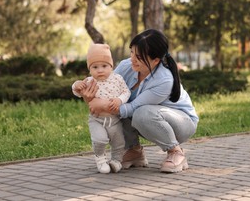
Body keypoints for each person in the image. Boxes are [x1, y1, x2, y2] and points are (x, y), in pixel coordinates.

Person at [82, 29, 199, 173]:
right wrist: (89, 97)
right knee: (121, 109)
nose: (132, 59)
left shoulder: (164, 80)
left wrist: (103, 105)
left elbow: (133, 107)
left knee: (141, 112)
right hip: (150, 120)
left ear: (155, 60)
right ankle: (134, 151)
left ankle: (175, 152)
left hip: (181, 123)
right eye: (132, 52)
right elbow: (107, 90)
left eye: (139, 56)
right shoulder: (127, 66)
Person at [72, 43, 131, 174]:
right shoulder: (89, 81)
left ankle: (116, 161)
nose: (100, 70)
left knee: (119, 142)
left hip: (115, 120)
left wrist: (119, 100)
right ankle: (100, 158)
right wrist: (76, 85)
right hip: (97, 119)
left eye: (104, 66)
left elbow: (126, 92)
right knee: (100, 139)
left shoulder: (117, 79)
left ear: (111, 66)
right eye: (95, 67)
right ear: (89, 69)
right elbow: (77, 91)